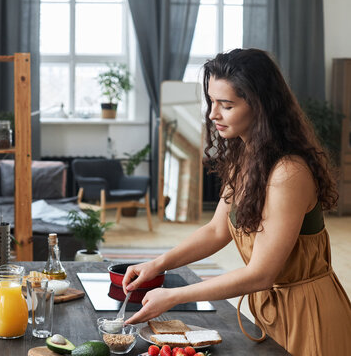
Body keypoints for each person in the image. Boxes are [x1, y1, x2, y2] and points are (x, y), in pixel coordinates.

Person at [122, 48, 351, 354]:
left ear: (261, 106)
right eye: (211, 102)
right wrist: (157, 264)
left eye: (226, 105)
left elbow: (261, 273)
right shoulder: (246, 159)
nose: (213, 114)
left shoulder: (288, 173)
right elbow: (217, 230)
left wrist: (174, 296)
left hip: (310, 314)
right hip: (271, 311)